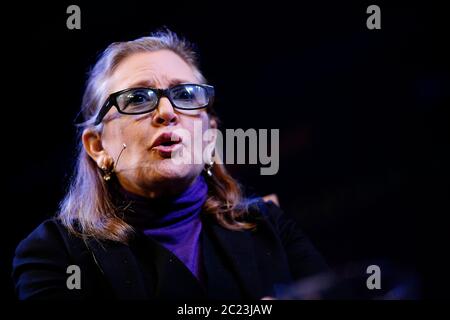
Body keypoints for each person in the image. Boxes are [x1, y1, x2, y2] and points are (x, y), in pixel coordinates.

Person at [12, 29, 328, 300]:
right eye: (137, 98)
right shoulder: (54, 254)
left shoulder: (267, 226)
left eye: (186, 94)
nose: (167, 111)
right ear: (98, 147)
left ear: (209, 135)